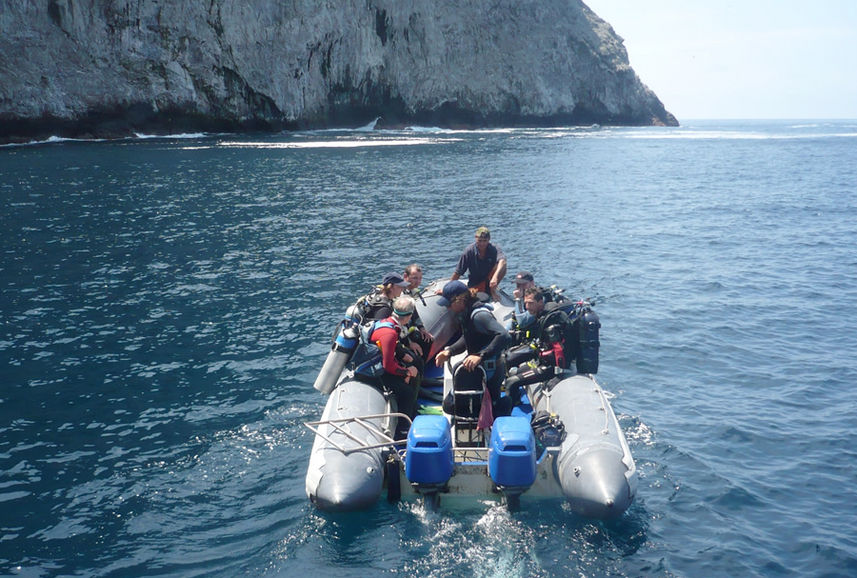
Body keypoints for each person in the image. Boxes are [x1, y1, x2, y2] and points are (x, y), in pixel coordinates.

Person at [433, 280, 512, 417]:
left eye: (449, 304)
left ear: (460, 300)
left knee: (456, 406)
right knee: (453, 406)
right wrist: (450, 351)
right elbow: (468, 337)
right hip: (477, 369)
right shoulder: (466, 313)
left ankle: (500, 407)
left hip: (489, 370)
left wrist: (480, 356)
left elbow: (504, 336)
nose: (448, 308)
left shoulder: (479, 316)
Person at [367, 295, 423, 425]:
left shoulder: (388, 323)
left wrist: (405, 364)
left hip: (380, 364)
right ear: (409, 316)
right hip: (377, 372)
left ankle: (413, 410)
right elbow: (388, 365)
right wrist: (406, 372)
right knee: (407, 392)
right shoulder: (390, 333)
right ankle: (403, 428)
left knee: (414, 366)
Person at [449, 226, 507, 298]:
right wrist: (448, 289)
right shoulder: (469, 252)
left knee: (502, 266)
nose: (482, 244)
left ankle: (492, 291)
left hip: (489, 280)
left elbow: (503, 261)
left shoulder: (494, 249)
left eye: (485, 241)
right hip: (475, 283)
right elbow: (458, 272)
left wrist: (495, 277)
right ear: (475, 238)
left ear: (489, 239)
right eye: (480, 240)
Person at [402, 263, 434, 357]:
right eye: (415, 278)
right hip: (399, 333)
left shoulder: (410, 292)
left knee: (427, 339)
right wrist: (409, 343)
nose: (418, 281)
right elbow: (399, 322)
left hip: (407, 329)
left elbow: (414, 313)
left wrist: (422, 329)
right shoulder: (401, 295)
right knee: (421, 341)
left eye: (420, 278)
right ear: (405, 276)